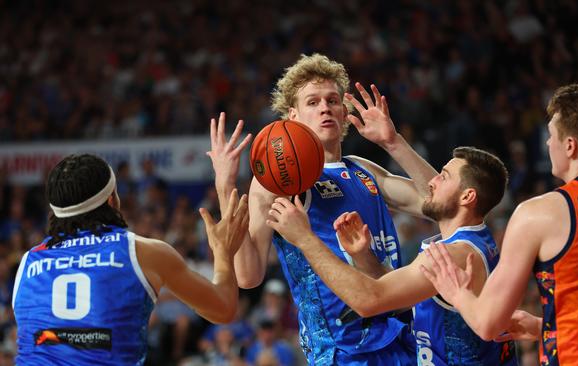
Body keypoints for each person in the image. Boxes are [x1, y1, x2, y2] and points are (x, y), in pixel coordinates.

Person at [209, 54, 437, 364]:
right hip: (340, 350)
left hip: (400, 331)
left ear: (345, 113)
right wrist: (225, 187)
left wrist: (394, 142)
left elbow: (440, 203)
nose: (325, 108)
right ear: (293, 116)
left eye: (331, 100)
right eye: (313, 102)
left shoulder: (363, 170)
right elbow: (247, 276)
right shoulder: (276, 184)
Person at [420, 84, 578, 365]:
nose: (546, 144)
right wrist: (544, 327)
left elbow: (487, 323)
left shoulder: (540, 213)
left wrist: (455, 291)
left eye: (551, 135)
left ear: (570, 146)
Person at [267, 147, 518, 365]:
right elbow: (399, 299)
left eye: (444, 176)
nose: (432, 181)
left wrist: (305, 238)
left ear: (467, 196)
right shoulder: (474, 242)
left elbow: (369, 301)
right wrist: (364, 256)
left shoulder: (454, 254)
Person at [12, 153, 249, 365]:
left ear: (54, 210)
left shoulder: (28, 262)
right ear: (111, 200)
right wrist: (222, 252)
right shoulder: (142, 251)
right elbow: (223, 309)